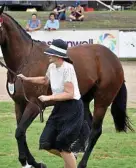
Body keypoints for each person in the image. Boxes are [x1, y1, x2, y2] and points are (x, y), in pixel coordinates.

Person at [17, 39, 89, 168]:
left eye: (51, 53)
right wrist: (27, 79)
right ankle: (71, 156)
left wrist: (49, 97)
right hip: (59, 107)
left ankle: (69, 157)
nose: (48, 55)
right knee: (45, 142)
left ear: (58, 55)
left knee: (62, 144)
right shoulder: (52, 66)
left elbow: (69, 94)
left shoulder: (68, 68)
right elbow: (45, 80)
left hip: (72, 109)